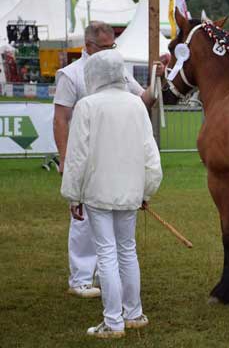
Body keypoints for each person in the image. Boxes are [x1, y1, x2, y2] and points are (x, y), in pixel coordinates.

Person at [53, 21, 165, 298]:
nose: (111, 51)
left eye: (113, 46)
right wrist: (65, 159)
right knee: (83, 225)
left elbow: (144, 100)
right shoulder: (71, 74)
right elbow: (61, 119)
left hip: (117, 159)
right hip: (87, 159)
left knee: (118, 239)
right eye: (105, 47)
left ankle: (109, 282)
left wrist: (157, 78)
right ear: (88, 46)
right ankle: (80, 278)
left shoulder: (118, 70)